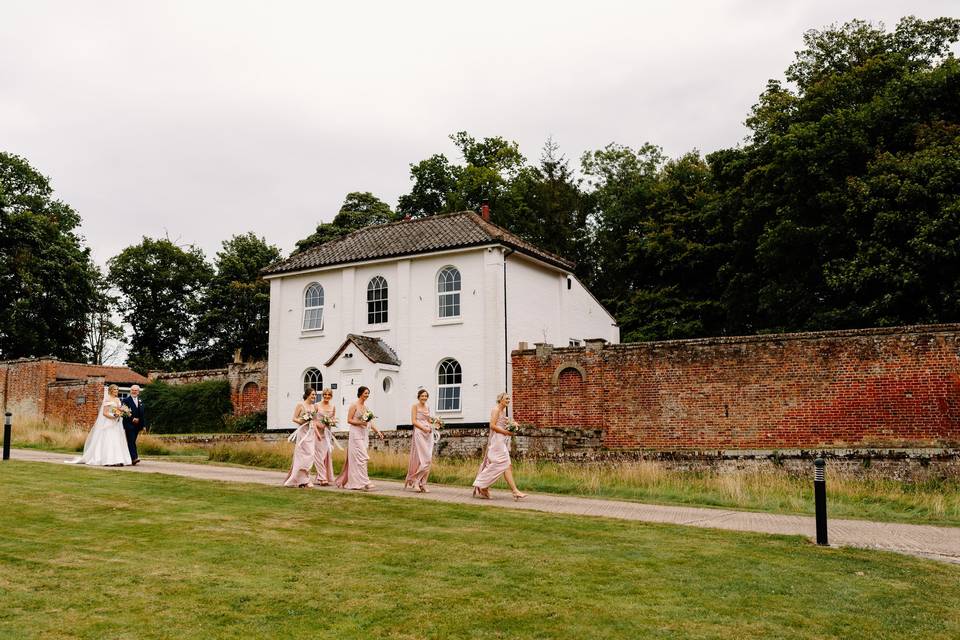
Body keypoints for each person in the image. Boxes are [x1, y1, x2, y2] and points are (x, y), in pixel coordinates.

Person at [472, 392, 526, 500]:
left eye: (509, 399)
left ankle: (512, 490)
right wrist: (507, 432)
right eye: (506, 399)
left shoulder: (503, 411)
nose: (508, 400)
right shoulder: (496, 410)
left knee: (507, 465)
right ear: (500, 399)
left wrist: (512, 425)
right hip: (497, 441)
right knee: (503, 464)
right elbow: (492, 426)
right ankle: (482, 484)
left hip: (502, 440)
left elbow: (502, 424)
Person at [66, 384, 133, 467]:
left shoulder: (117, 399)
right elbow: (104, 413)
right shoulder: (107, 399)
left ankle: (118, 460)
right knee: (109, 440)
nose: (116, 391)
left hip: (117, 424)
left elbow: (118, 409)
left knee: (117, 440)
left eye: (117, 389)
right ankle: (108, 460)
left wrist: (123, 411)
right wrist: (113, 416)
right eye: (115, 389)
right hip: (109, 422)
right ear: (111, 390)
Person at [335, 386, 384, 490]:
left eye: (368, 393)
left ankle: (361, 481)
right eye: (366, 393)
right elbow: (349, 420)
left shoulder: (366, 408)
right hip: (355, 433)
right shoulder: (354, 405)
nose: (367, 395)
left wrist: (378, 432)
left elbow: (370, 422)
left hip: (363, 433)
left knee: (360, 459)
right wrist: (361, 422)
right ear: (361, 393)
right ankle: (366, 481)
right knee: (363, 456)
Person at [283, 389, 319, 488]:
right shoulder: (300, 405)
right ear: (307, 395)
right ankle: (303, 480)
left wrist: (318, 434)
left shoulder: (314, 407)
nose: (314, 396)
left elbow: (315, 421)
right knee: (302, 457)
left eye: (315, 395)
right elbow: (294, 418)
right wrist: (302, 421)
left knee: (311, 455)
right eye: (312, 395)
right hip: (303, 433)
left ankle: (304, 478)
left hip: (310, 433)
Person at [404, 389, 435, 492]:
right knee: (424, 459)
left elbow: (428, 420)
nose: (424, 398)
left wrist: (435, 423)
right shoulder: (415, 406)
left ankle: (423, 484)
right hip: (419, 432)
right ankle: (416, 481)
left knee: (428, 459)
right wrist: (423, 428)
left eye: (426, 396)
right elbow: (413, 421)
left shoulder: (428, 407)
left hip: (428, 434)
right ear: (418, 397)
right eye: (422, 396)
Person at [313, 388, 337, 486]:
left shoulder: (333, 407)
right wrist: (319, 429)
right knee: (319, 456)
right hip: (317, 433)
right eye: (325, 395)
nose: (327, 396)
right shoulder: (317, 405)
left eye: (329, 395)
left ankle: (323, 477)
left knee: (325, 456)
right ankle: (322, 478)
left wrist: (331, 422)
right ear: (323, 395)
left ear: (331, 396)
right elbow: (313, 421)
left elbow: (333, 419)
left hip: (327, 433)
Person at [121, 384, 147, 465]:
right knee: (131, 441)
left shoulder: (141, 401)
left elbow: (142, 415)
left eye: (136, 390)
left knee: (132, 441)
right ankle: (134, 458)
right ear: (130, 391)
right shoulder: (125, 400)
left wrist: (143, 426)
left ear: (138, 392)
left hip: (138, 426)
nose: (134, 391)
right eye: (132, 390)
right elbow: (123, 413)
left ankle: (130, 457)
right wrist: (132, 419)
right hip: (129, 424)